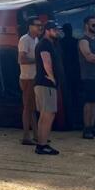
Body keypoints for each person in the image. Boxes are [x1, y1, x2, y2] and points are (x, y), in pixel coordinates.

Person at [33, 20, 61, 155]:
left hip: (42, 83)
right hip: (46, 83)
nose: (57, 32)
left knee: (45, 115)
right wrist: (52, 77)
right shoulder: (45, 44)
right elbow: (46, 61)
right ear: (47, 30)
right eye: (54, 30)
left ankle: (41, 143)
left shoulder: (47, 43)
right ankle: (42, 145)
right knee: (48, 114)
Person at [17, 17, 42, 145]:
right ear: (30, 26)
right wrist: (38, 60)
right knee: (28, 108)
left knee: (32, 108)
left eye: (40, 25)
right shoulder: (24, 40)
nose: (39, 27)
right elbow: (21, 59)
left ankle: (36, 135)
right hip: (27, 78)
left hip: (33, 77)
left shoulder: (35, 39)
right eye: (37, 25)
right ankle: (26, 136)